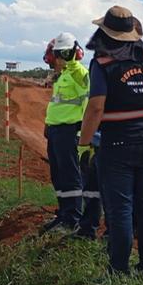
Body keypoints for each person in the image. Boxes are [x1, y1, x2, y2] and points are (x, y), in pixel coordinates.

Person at [77, 6, 143, 276]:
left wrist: (84, 145)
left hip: (117, 147)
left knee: (120, 209)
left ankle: (119, 271)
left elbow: (96, 108)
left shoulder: (102, 63)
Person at [41, 32, 89, 232]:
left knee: (70, 175)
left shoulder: (79, 74)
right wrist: (47, 125)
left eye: (61, 54)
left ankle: (72, 219)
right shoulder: (63, 76)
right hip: (56, 130)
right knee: (58, 174)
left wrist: (84, 134)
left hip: (69, 131)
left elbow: (89, 102)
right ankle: (63, 214)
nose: (58, 59)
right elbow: (57, 104)